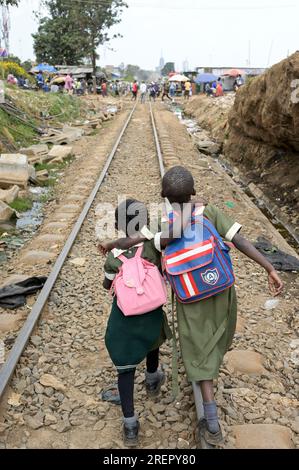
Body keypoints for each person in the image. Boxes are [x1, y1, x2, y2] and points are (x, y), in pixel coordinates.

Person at [100, 166, 283, 446]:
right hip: (222, 289)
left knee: (195, 346)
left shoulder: (165, 224)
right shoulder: (208, 212)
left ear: (164, 196)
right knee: (213, 339)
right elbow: (240, 240)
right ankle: (209, 375)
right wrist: (269, 267)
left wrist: (113, 243)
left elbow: (138, 239)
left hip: (189, 296)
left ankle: (211, 422)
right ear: (193, 192)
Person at [100, 199, 171, 448]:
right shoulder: (153, 246)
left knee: (125, 367)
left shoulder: (113, 255)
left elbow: (107, 285)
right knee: (153, 339)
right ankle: (152, 377)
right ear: (146, 222)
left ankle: (130, 423)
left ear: (119, 226)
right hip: (151, 311)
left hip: (125, 318)